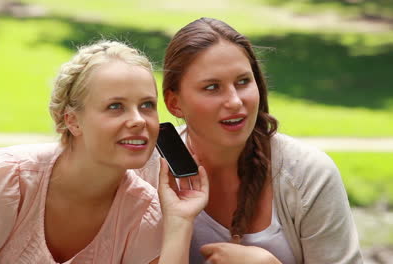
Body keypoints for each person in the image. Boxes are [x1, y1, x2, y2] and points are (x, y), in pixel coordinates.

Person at [0, 40, 209, 264]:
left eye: (147, 105)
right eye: (116, 106)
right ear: (72, 120)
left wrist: (180, 221)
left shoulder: (145, 215)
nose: (138, 120)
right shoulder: (5, 182)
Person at [140, 17, 362, 263]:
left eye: (243, 81)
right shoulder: (148, 173)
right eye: (212, 87)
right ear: (174, 103)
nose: (235, 101)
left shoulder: (308, 174)